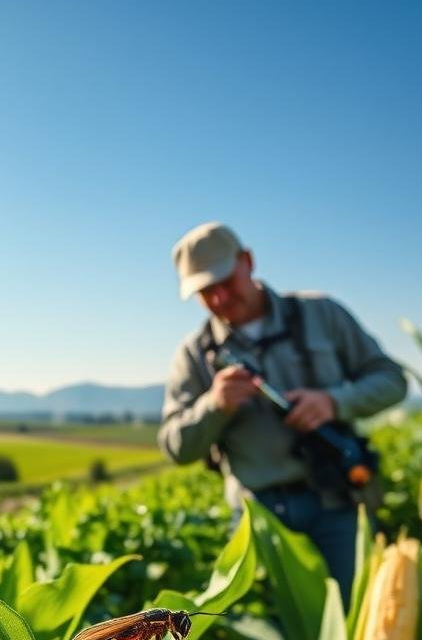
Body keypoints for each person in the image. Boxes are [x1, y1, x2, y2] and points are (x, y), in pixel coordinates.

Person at [158, 221, 407, 603]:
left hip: (337, 505)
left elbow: (392, 380)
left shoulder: (321, 314)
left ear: (248, 261)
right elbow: (175, 446)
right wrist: (214, 406)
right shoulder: (193, 356)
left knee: (354, 623)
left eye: (225, 281)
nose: (220, 298)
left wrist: (333, 401)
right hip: (259, 521)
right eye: (206, 292)